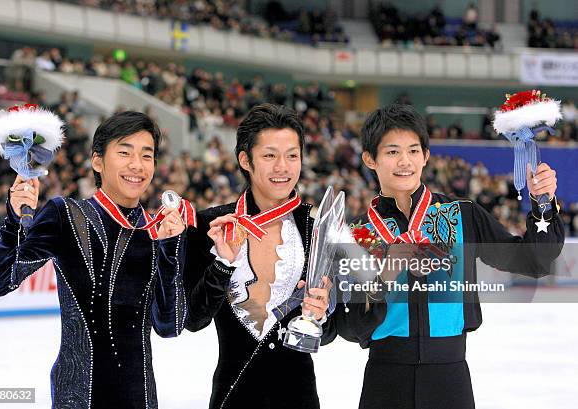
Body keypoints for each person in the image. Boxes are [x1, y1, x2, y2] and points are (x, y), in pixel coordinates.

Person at [331, 103, 564, 409]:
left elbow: (533, 261)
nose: (405, 161)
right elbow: (349, 327)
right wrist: (385, 276)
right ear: (369, 159)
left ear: (426, 156)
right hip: (384, 381)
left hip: (450, 380)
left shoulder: (462, 215)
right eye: (392, 152)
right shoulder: (359, 234)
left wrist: (542, 204)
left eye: (414, 151)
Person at [0, 111, 188, 408]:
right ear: (97, 161)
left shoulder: (158, 231)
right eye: (124, 152)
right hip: (77, 396)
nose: (137, 165)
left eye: (147, 155)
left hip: (140, 398)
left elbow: (170, 326)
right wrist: (14, 220)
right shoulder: (66, 215)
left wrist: (171, 250)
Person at [184, 103, 333, 409]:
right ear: (245, 159)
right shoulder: (210, 226)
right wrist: (223, 264)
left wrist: (321, 312)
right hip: (233, 395)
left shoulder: (314, 230)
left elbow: (328, 333)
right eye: (269, 156)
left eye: (292, 155)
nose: (283, 167)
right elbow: (193, 319)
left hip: (300, 397)